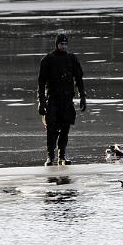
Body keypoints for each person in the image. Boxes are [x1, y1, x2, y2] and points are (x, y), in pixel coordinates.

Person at [37, 34, 86, 165]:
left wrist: (83, 97)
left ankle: (62, 155)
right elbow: (41, 83)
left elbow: (79, 79)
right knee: (51, 129)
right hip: (53, 99)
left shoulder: (72, 59)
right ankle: (50, 156)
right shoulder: (47, 60)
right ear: (57, 44)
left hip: (67, 100)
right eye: (61, 44)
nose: (64, 46)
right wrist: (41, 102)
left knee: (65, 129)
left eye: (65, 44)